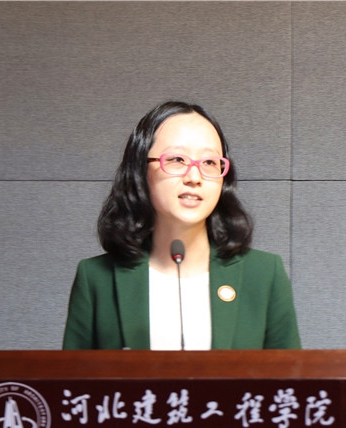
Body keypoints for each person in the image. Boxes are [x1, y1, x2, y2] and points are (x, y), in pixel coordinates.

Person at [62, 101, 300, 350]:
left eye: (209, 162)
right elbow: (72, 375)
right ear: (140, 171)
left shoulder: (264, 274)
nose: (194, 177)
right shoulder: (96, 278)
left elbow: (292, 374)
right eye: (177, 159)